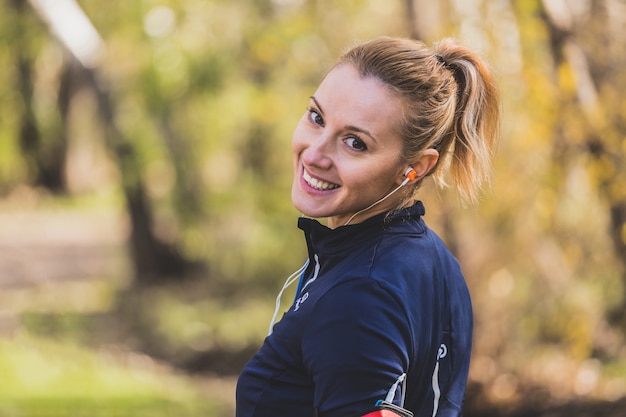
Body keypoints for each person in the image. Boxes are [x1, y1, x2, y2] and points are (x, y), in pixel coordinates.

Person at [236, 36, 500, 417]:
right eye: (316, 117)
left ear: (416, 167)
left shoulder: (361, 292)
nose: (314, 153)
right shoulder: (434, 262)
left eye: (355, 143)